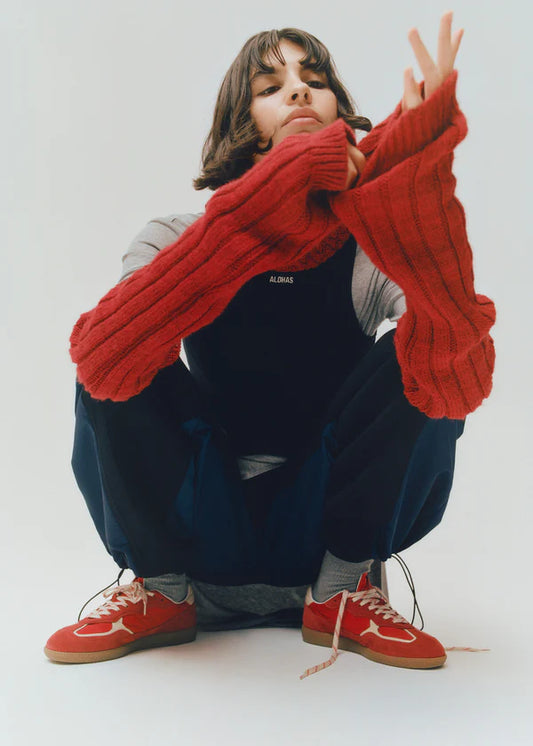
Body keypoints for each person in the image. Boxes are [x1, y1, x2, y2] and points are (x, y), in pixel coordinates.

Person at [44, 12, 496, 676]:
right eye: (270, 86)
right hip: (200, 529)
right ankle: (161, 595)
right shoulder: (174, 236)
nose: (298, 91)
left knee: (428, 351)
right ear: (241, 121)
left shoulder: (367, 254)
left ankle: (341, 595)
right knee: (118, 339)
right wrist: (264, 207)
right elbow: (101, 360)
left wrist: (417, 200)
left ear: (339, 112)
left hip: (323, 534)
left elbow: (460, 376)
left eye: (315, 79)